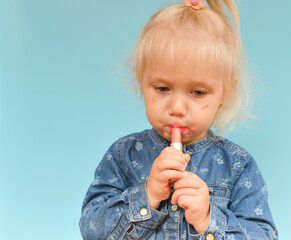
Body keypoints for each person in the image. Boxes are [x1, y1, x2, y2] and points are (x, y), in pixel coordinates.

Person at [79, 0, 278, 239]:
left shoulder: (237, 165)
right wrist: (147, 195)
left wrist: (208, 219)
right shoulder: (124, 156)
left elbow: (265, 235)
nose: (177, 108)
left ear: (224, 92)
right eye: (163, 88)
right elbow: (91, 229)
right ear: (142, 80)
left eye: (198, 92)